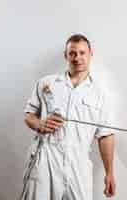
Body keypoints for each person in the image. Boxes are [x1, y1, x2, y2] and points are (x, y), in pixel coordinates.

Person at [20, 34, 116, 200]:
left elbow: (105, 134)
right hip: (46, 158)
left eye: (82, 52)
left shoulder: (100, 94)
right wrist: (39, 124)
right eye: (72, 53)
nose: (77, 58)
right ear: (66, 55)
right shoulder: (46, 83)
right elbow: (29, 115)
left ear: (90, 53)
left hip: (78, 164)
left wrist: (109, 173)